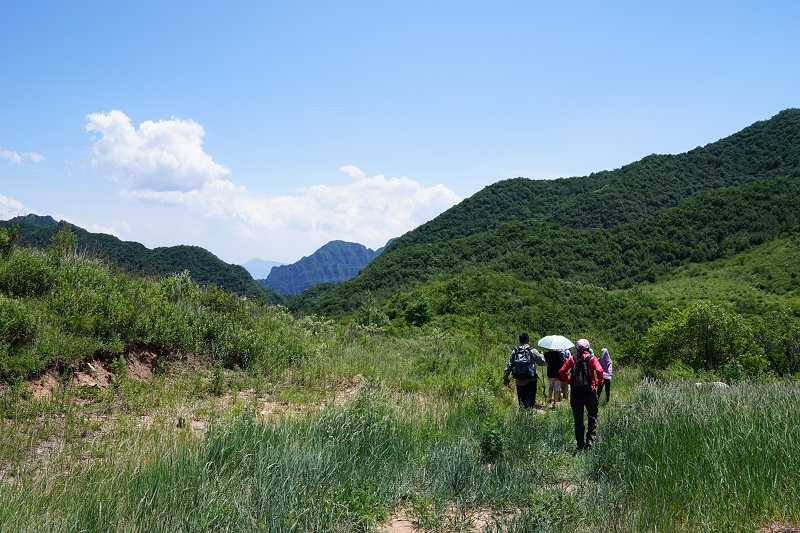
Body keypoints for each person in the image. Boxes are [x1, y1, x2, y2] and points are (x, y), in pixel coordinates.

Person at [559, 338, 604, 451]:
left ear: (577, 349)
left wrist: (570, 381)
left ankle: (580, 445)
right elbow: (600, 371)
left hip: (575, 394)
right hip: (590, 392)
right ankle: (590, 441)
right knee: (592, 416)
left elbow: (561, 371)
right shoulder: (592, 359)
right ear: (588, 348)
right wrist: (600, 382)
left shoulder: (572, 359)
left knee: (578, 420)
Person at [503, 333, 546, 409]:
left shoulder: (515, 351)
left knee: (522, 403)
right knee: (530, 403)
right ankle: (529, 418)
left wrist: (505, 378)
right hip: (530, 380)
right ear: (528, 340)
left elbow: (509, 365)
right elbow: (542, 362)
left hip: (519, 380)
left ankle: (522, 418)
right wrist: (541, 354)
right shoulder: (532, 350)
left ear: (519, 340)